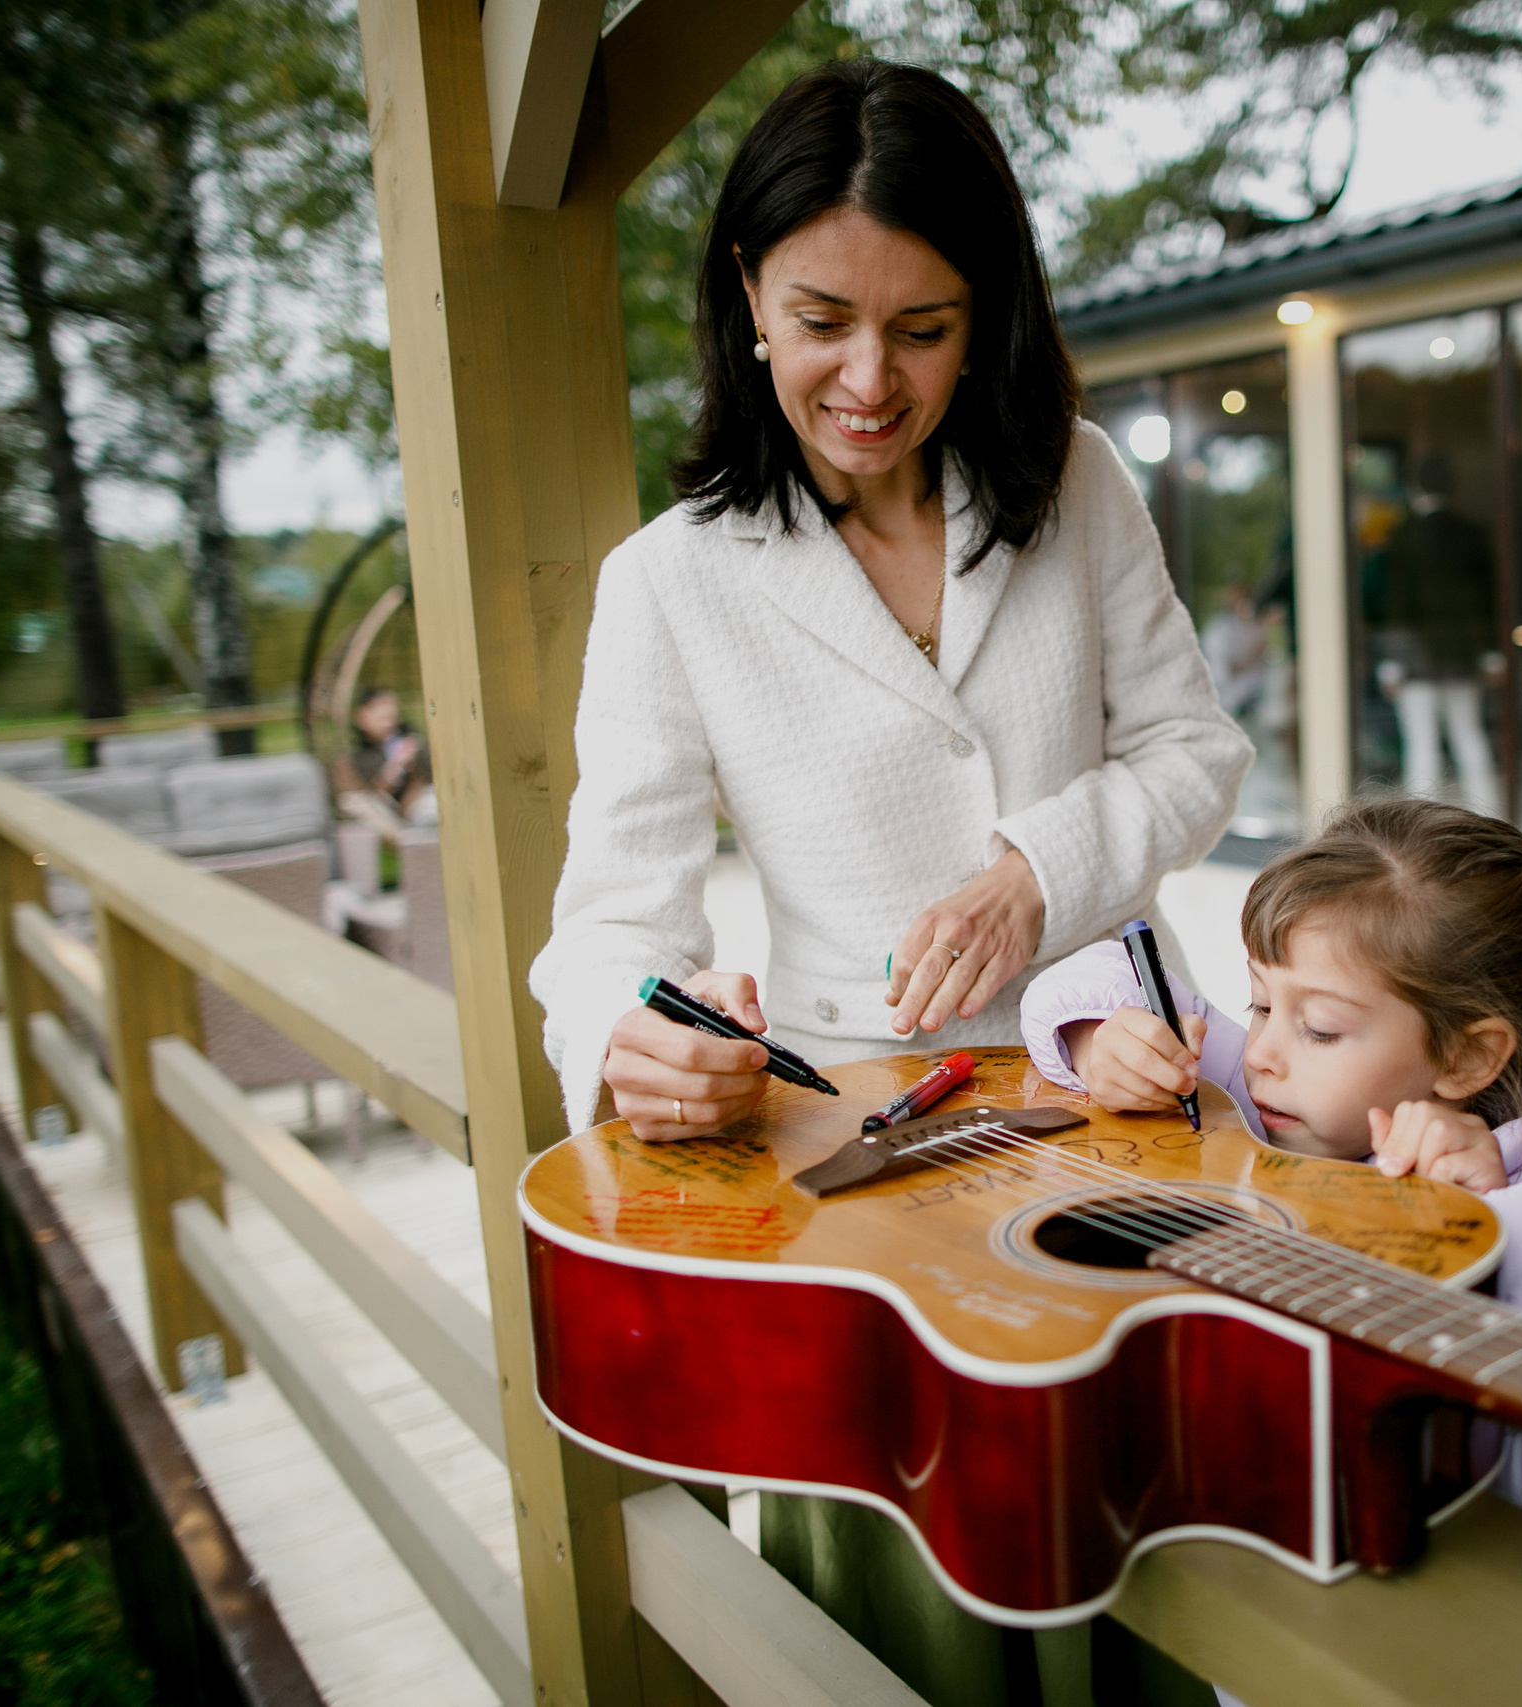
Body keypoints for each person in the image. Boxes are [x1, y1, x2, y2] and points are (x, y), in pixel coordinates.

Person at [528, 57, 1251, 1707]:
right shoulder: (671, 585)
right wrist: (641, 1033)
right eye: (822, 318)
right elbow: (612, 926)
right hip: (855, 1165)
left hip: (1121, 1097)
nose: (868, 377)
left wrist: (1036, 870)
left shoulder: (1075, 483)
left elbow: (1198, 754)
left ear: (986, 312)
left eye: (923, 328)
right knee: (911, 1608)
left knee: (1150, 1569)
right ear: (747, 301)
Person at [1023, 798, 1522, 1573]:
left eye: (1319, 1027)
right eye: (1260, 1001)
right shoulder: (1296, 1094)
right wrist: (1103, 1039)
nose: (1260, 1050)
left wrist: (1505, 1228)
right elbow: (1105, 975)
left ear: (1466, 1058)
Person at [1373, 452, 1502, 817]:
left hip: (1415, 657)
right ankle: (1493, 823)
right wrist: (1492, 651)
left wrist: (1391, 662)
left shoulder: (1402, 536)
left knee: (1421, 745)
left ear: (1416, 488)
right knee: (1469, 737)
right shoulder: (1472, 534)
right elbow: (1488, 598)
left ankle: (1421, 832)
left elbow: (1395, 604)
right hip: (1463, 653)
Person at [347, 685, 432, 821]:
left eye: (389, 706)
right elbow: (370, 796)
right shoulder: (357, 758)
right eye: (378, 707)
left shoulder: (412, 741)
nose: (387, 711)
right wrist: (396, 766)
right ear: (361, 717)